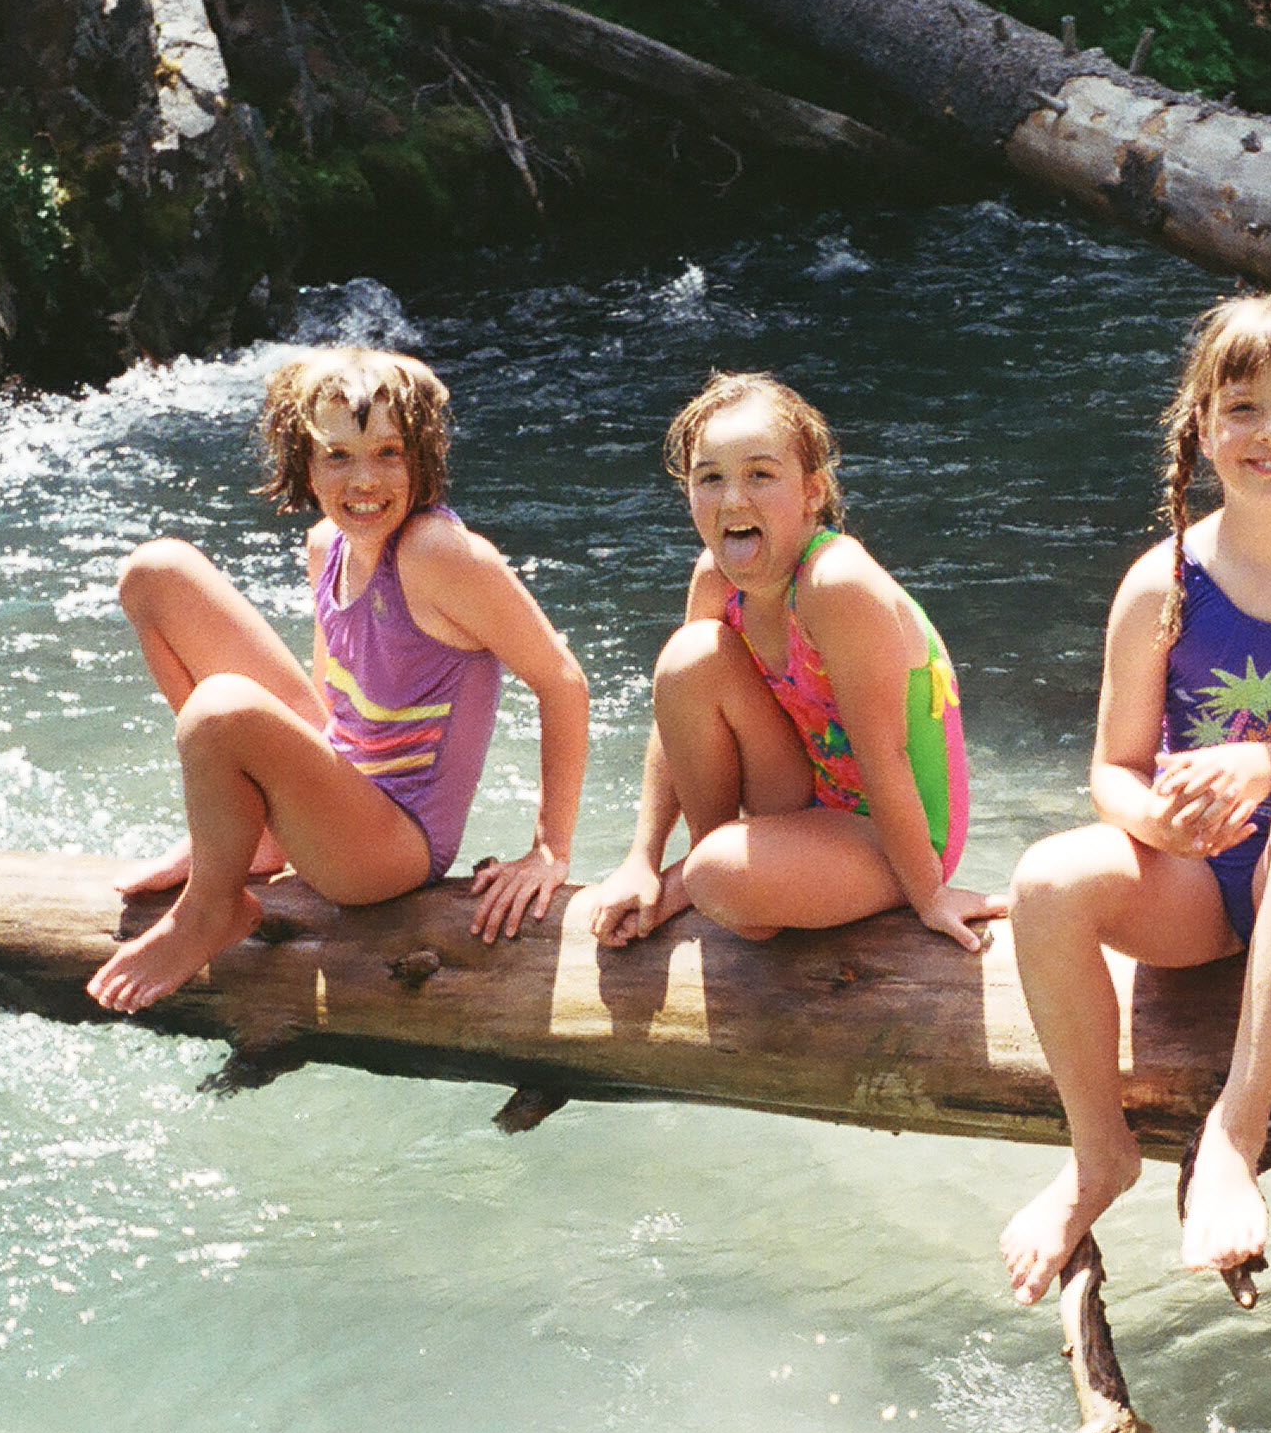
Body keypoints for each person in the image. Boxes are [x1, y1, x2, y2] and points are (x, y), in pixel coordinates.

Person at [998, 292, 1271, 1305]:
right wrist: (1155, 819)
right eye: (1243, 407)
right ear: (1203, 427)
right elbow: (1113, 768)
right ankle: (1096, 1151)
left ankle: (1233, 1134)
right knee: (1047, 876)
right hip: (1197, 884)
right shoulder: (1162, 581)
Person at [91, 347, 589, 1013]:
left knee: (219, 710)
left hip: (395, 845)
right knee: (156, 573)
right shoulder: (328, 545)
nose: (366, 479)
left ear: (424, 458)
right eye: (338, 456)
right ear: (302, 460)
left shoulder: (440, 554)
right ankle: (250, 830)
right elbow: (337, 701)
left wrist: (549, 850)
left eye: (390, 453)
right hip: (346, 783)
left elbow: (563, 680)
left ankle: (210, 909)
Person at [573, 373, 1000, 952]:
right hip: (805, 798)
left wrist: (929, 895)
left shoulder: (836, 584)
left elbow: (885, 755)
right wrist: (640, 858)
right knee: (688, 658)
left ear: (813, 491)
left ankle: (702, 879)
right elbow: (678, 715)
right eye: (711, 479)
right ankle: (695, 872)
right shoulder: (715, 577)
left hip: (891, 833)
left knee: (717, 875)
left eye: (760, 475)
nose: (732, 499)